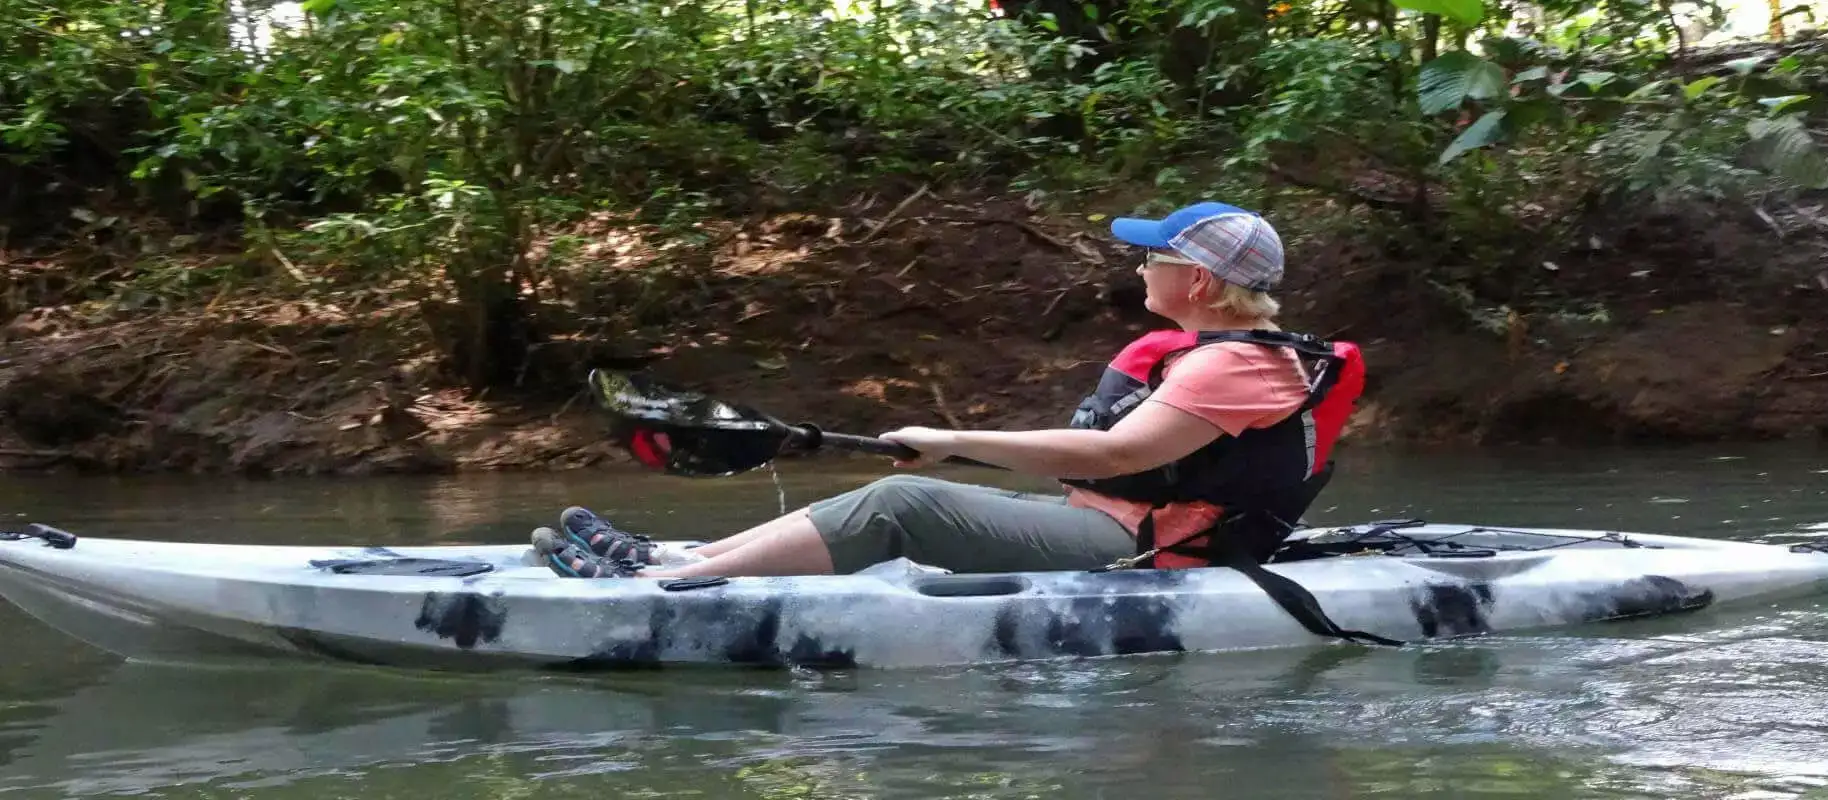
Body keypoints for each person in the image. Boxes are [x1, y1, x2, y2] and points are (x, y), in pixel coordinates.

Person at [533, 201, 1362, 580]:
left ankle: (659, 587)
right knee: (900, 491)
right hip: (1108, 522)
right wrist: (953, 443)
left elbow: (1120, 452)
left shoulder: (1241, 363)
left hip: (1148, 551)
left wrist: (952, 438)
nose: (1142, 267)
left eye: (1158, 258)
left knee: (907, 503)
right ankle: (682, 556)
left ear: (1206, 282)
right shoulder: (1209, 351)